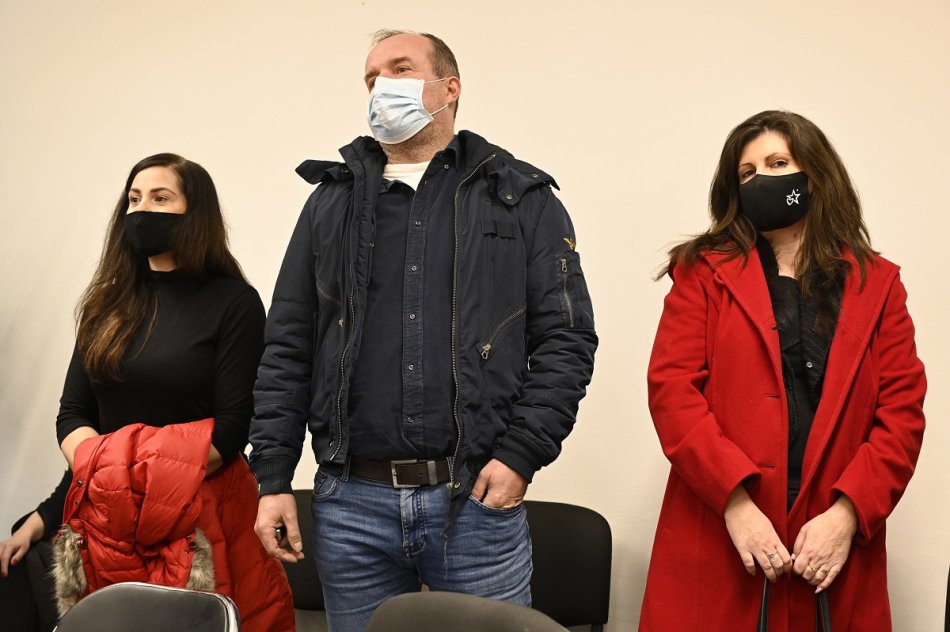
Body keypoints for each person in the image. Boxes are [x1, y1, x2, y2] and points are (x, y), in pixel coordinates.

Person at [248, 29, 597, 631]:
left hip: (475, 504)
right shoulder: (329, 203)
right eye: (371, 77)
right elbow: (287, 345)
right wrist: (273, 477)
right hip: (351, 506)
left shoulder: (521, 197)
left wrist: (520, 456)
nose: (381, 85)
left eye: (400, 68)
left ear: (449, 88)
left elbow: (566, 340)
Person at [639, 110, 926, 631]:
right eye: (747, 173)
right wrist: (735, 503)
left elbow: (902, 415)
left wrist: (847, 515)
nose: (761, 180)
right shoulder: (702, 271)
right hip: (723, 526)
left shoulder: (879, 285)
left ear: (814, 174)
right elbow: (673, 393)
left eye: (777, 164)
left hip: (832, 538)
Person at [52, 153, 294, 631]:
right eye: (134, 199)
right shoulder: (105, 303)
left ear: (195, 213)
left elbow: (233, 427)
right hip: (110, 518)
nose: (142, 210)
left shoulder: (234, 302)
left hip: (204, 511)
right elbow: (73, 414)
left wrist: (135, 478)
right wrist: (114, 484)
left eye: (160, 198)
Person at [0, 472, 69, 632]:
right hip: (66, 554)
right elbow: (62, 498)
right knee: (8, 560)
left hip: (104, 563)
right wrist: (25, 533)